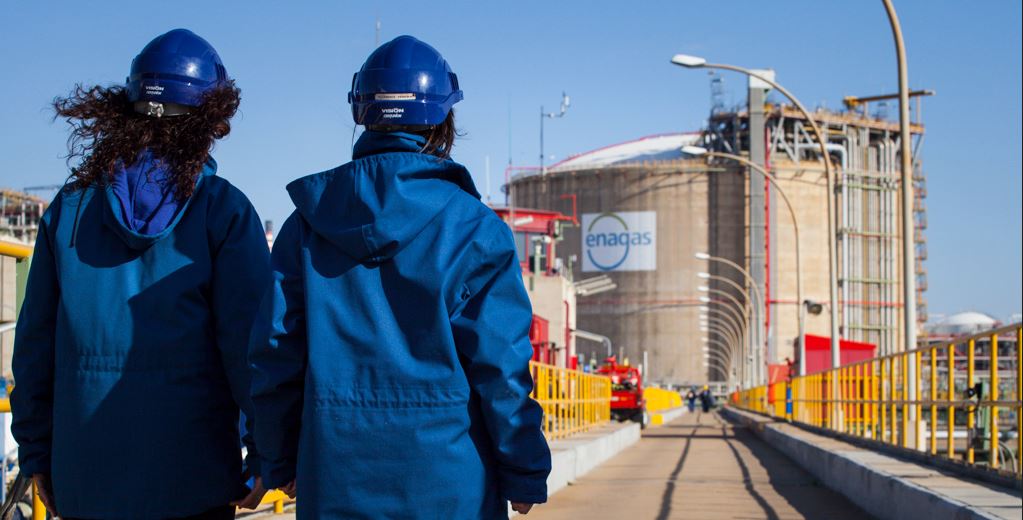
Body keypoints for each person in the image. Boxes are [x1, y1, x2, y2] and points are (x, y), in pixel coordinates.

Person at [249, 35, 552, 519]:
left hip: (335, 478)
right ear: (443, 119)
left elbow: (274, 355)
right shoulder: (475, 228)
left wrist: (276, 459)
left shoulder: (305, 226)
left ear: (361, 113)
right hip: (451, 483)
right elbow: (501, 367)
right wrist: (524, 470)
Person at [10, 29, 269, 519]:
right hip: (195, 484)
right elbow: (249, 347)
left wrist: (37, 454)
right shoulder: (224, 210)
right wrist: (265, 454)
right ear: (210, 118)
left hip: (87, 480)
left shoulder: (70, 209)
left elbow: (35, 348)